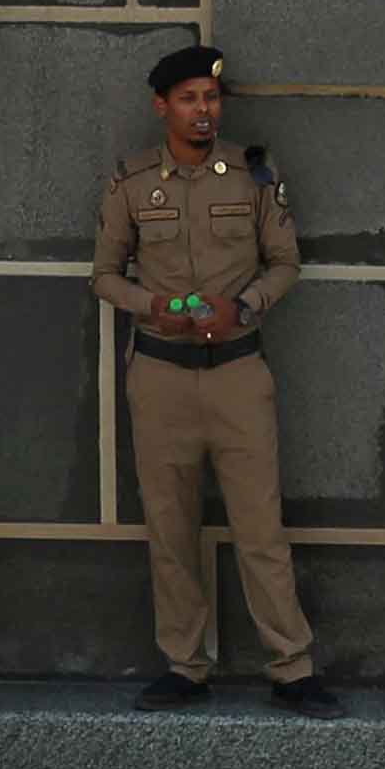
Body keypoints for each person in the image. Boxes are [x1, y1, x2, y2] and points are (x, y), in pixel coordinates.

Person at [92, 45, 337, 718]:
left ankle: (291, 667)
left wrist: (247, 305)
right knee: (170, 529)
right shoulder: (131, 182)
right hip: (161, 378)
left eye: (211, 98)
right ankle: (184, 665)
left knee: (260, 528)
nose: (203, 111)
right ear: (161, 107)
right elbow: (104, 275)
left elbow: (284, 262)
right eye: (189, 99)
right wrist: (156, 306)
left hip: (236, 373)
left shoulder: (253, 177)